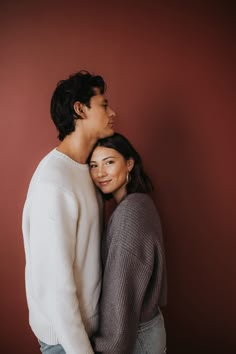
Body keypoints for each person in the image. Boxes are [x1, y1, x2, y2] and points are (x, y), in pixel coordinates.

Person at [22, 70, 116, 354]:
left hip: (86, 335)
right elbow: (57, 287)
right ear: (80, 109)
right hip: (66, 343)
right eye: (103, 105)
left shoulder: (85, 170)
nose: (113, 112)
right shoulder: (54, 182)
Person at [88, 132, 167, 354]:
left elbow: (121, 289)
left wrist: (105, 345)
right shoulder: (140, 203)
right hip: (145, 328)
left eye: (109, 162)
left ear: (129, 163)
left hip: (135, 336)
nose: (100, 173)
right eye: (93, 165)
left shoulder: (129, 214)